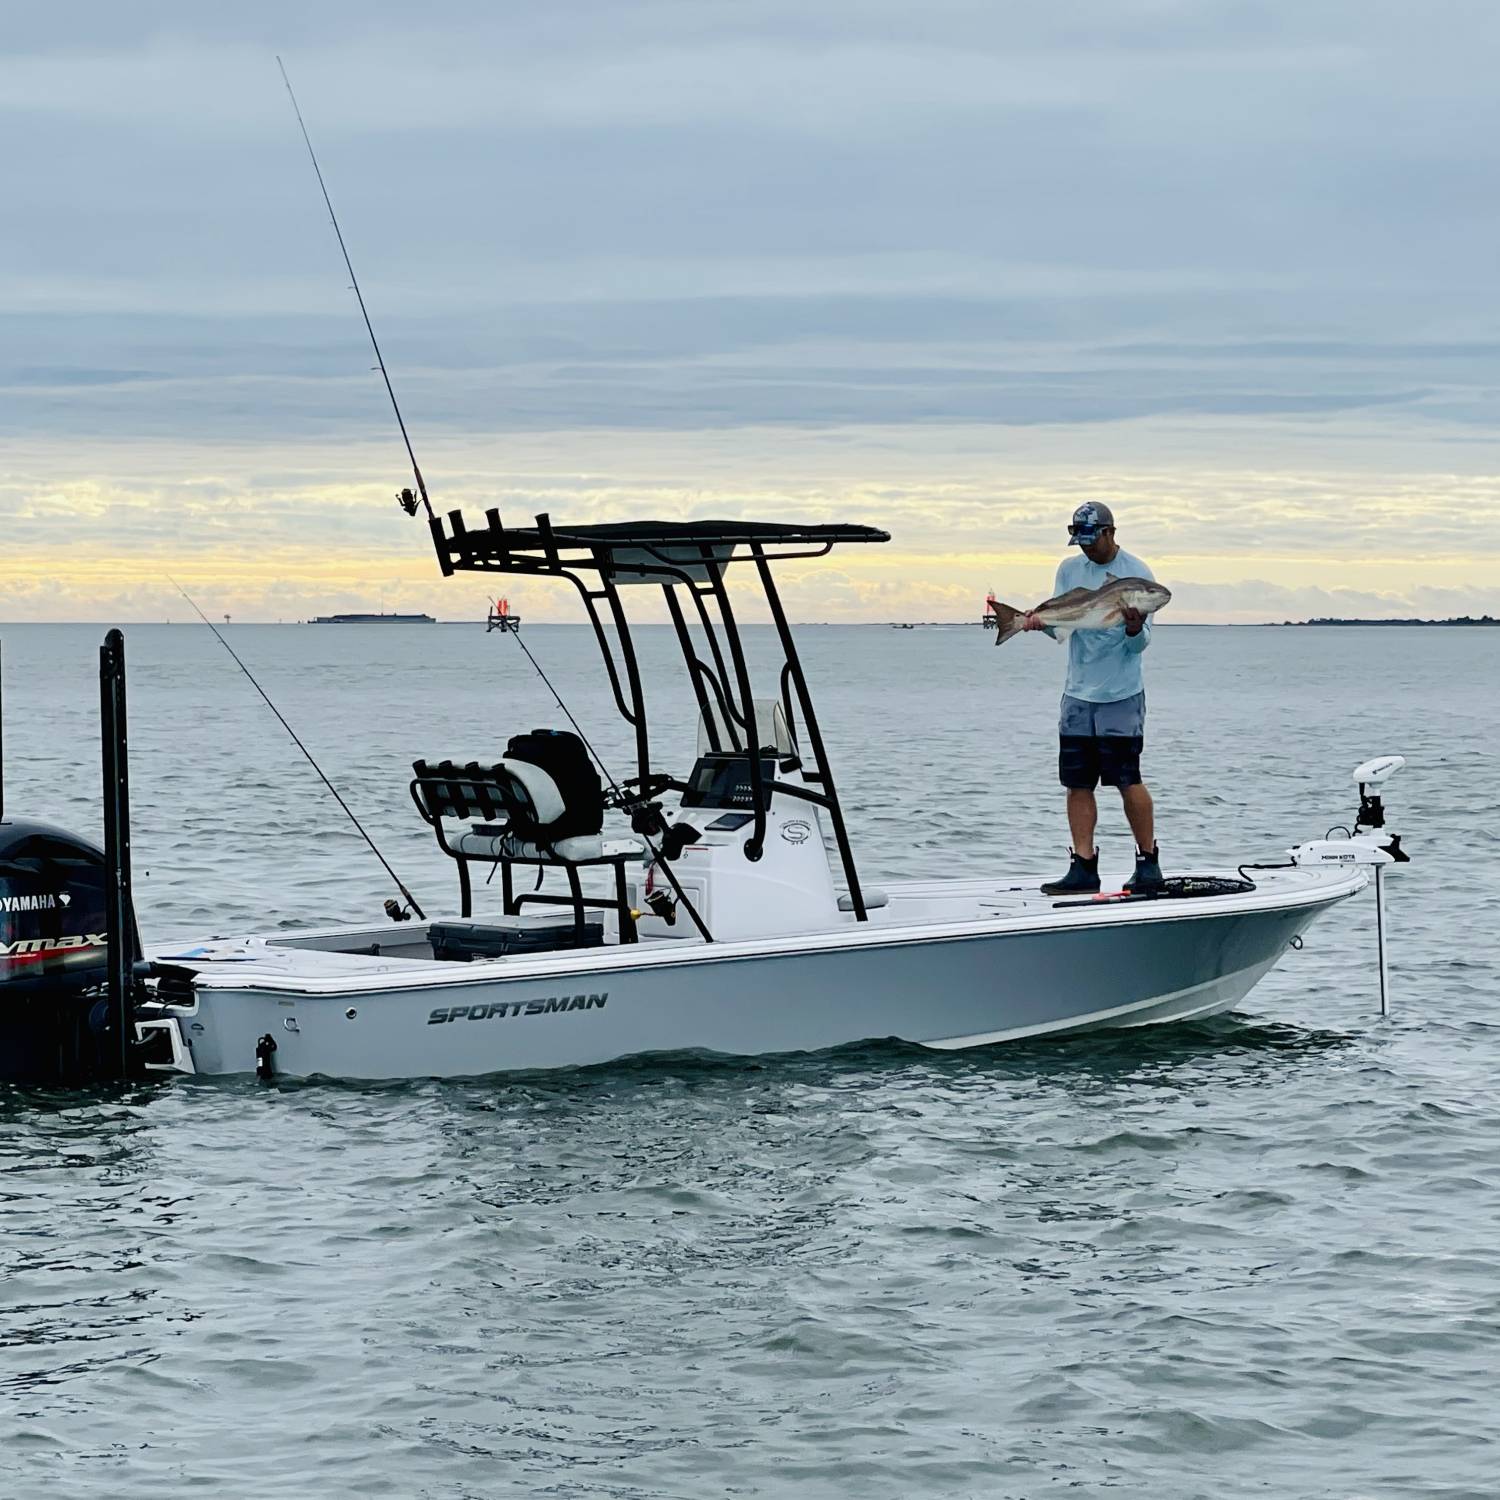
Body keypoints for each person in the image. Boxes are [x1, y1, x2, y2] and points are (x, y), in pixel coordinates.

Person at [1024, 501, 1163, 895]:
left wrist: (1134, 627)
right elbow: (1062, 628)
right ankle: (1083, 865)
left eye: (1090, 540)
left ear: (1110, 533)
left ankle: (1148, 861)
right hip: (1077, 693)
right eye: (1079, 541)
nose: (1085, 549)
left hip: (1121, 694)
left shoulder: (1138, 575)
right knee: (1077, 782)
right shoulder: (1069, 570)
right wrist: (1040, 624)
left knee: (1127, 778)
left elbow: (1141, 646)